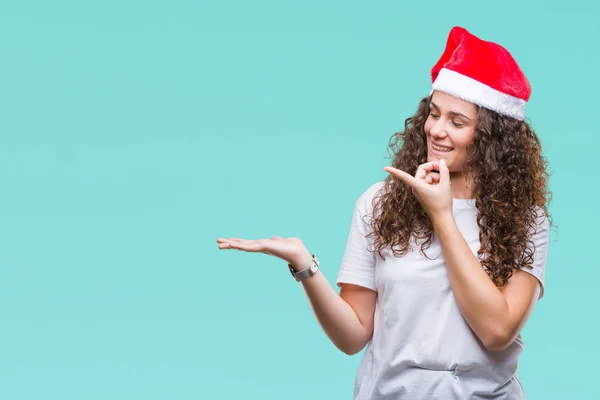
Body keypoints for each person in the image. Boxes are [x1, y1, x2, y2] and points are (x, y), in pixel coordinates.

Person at [216, 26, 551, 399]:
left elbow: (497, 330)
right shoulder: (379, 203)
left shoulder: (526, 219)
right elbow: (353, 335)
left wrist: (442, 216)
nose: (436, 130)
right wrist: (304, 265)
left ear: (493, 138)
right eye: (434, 114)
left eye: (457, 122)